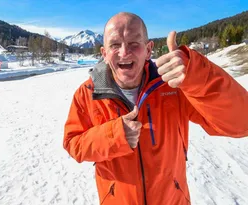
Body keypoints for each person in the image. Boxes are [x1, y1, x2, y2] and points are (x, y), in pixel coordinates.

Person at [63, 12, 248, 205]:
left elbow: (241, 122)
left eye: (134, 43)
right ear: (104, 53)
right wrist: (113, 135)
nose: (124, 52)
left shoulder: (174, 86)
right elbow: (73, 143)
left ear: (148, 49)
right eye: (115, 45)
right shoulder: (87, 93)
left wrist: (197, 75)